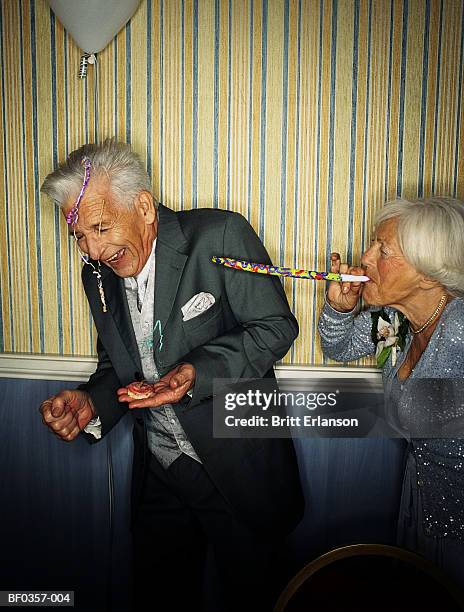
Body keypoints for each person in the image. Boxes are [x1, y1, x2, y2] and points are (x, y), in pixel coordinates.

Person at [39, 139, 304, 611]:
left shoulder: (220, 235)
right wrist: (90, 403)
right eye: (80, 236)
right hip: (160, 474)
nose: (94, 251)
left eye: (100, 228)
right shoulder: (96, 276)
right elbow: (117, 364)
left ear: (142, 206)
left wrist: (196, 372)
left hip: (236, 468)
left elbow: (275, 327)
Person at [318, 196, 464, 588]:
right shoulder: (397, 322)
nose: (365, 258)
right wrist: (339, 307)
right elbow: (339, 347)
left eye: (384, 251)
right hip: (420, 506)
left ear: (430, 275)